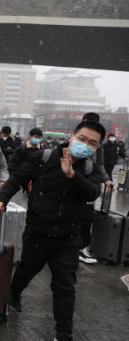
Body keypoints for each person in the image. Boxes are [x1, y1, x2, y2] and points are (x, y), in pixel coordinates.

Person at [0, 121, 104, 341]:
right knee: (26, 269)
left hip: (68, 237)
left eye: (92, 143)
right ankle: (14, 293)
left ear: (96, 147)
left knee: (65, 286)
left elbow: (92, 193)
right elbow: (17, 179)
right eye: (82, 139)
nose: (85, 145)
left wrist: (73, 175)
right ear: (72, 136)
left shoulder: (91, 169)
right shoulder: (43, 157)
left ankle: (64, 334)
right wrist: (1, 199)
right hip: (38, 231)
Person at [79, 112, 110, 264]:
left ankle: (81, 247)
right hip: (74, 182)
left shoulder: (99, 146)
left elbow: (100, 165)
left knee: (86, 217)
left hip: (90, 184)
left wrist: (106, 179)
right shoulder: (76, 139)